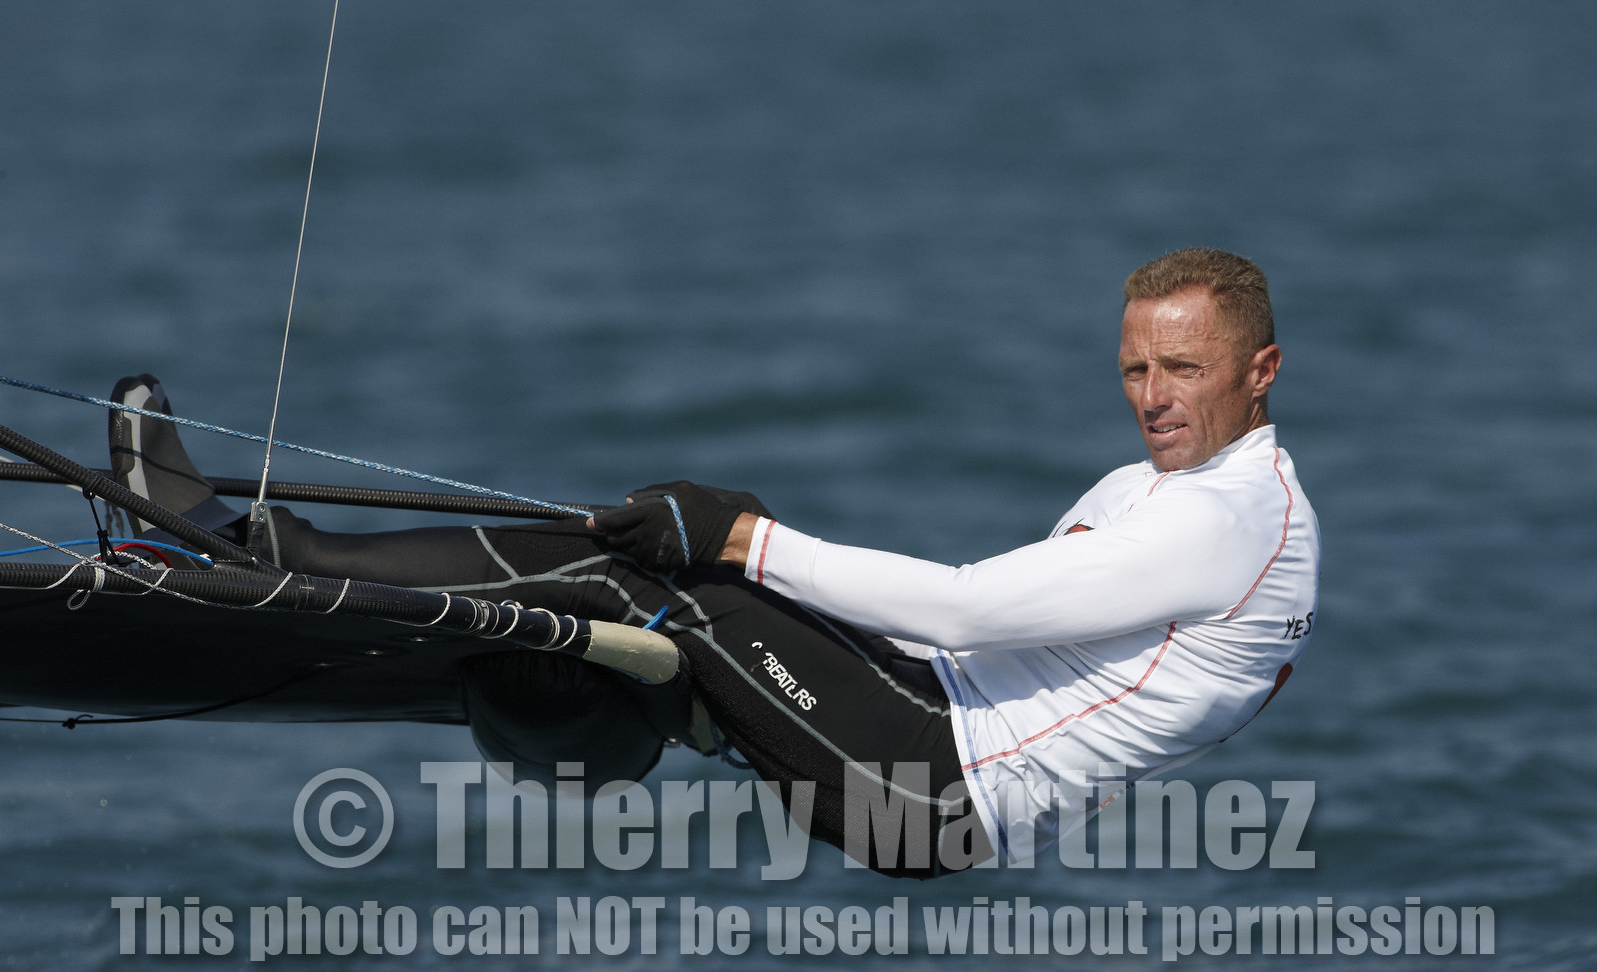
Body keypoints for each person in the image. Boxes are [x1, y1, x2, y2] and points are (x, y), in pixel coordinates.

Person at [112, 247, 1320, 878]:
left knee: (643, 584)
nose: (1151, 399)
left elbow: (966, 612)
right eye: (1134, 371)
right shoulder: (1167, 486)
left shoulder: (1222, 522)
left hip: (939, 792)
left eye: (1184, 372)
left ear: (1259, 372)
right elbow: (971, 633)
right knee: (626, 549)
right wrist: (741, 566)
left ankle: (238, 554)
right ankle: (264, 541)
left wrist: (744, 538)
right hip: (918, 718)